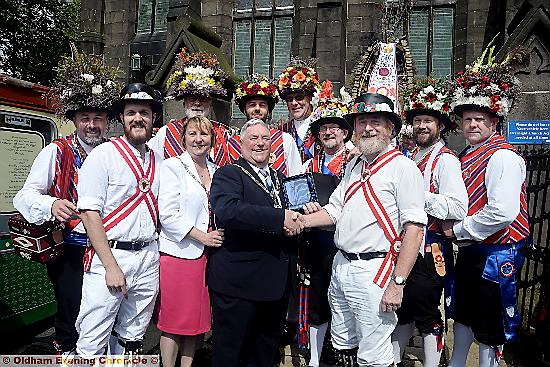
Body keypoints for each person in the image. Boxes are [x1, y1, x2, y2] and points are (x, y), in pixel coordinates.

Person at [300, 92, 427, 367]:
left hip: (376, 272)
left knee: (374, 355)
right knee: (342, 344)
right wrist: (298, 221)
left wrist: (398, 283)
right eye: (362, 122)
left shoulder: (404, 168)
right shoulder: (355, 166)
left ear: (390, 128)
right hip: (342, 265)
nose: (368, 127)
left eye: (376, 121)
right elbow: (334, 210)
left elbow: (414, 229)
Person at [12, 50, 120, 354]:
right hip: (71, 247)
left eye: (98, 118)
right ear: (74, 120)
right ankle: (67, 354)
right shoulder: (56, 151)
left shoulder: (114, 152)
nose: (92, 125)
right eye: (85, 118)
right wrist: (51, 204)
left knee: (103, 312)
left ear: (107, 121)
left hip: (107, 247)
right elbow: (25, 194)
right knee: (72, 311)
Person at [442, 47, 530, 367]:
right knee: (464, 314)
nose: (473, 125)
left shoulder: (502, 156)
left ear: (493, 121)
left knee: (490, 327)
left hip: (498, 252)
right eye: (468, 119)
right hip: (475, 249)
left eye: (480, 119)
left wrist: (459, 229)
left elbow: (503, 212)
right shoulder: (467, 154)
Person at [74, 83, 163, 356]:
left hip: (148, 256)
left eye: (144, 113)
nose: (138, 118)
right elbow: (89, 213)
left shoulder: (159, 160)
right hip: (110, 256)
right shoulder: (103, 155)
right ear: (122, 118)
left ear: (153, 118)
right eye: (131, 113)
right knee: (93, 336)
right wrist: (111, 266)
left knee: (132, 335)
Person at [208, 119, 303, 367]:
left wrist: (304, 213)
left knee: (264, 352)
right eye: (254, 138)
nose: (260, 144)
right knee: (230, 352)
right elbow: (228, 210)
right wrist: (280, 217)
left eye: (265, 139)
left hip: (276, 284)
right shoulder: (229, 174)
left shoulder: (280, 178)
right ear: (241, 143)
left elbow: (293, 214)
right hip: (240, 283)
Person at [391, 79, 468, 367]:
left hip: (430, 248)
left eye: (428, 121)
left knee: (427, 312)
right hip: (406, 245)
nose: (422, 126)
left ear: (440, 126)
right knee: (404, 309)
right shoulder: (411, 155)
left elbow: (458, 207)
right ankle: (395, 361)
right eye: (418, 121)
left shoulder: (446, 161)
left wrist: (416, 196)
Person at [155, 115, 225, 367]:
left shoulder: (217, 170)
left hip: (209, 256)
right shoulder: (173, 167)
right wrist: (203, 237)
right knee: (174, 322)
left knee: (197, 321)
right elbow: (168, 215)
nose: (198, 140)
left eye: (204, 134)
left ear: (212, 140)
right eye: (193, 134)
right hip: (180, 253)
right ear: (183, 138)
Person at [299, 80, 354, 367]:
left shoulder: (358, 161)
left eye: (334, 127)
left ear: (345, 132)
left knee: (346, 303)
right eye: (323, 128)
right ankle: (316, 358)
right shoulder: (308, 165)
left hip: (347, 243)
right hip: (319, 244)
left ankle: (346, 355)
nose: (328, 132)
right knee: (319, 300)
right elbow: (294, 198)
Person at [148, 48, 235, 166]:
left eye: (203, 98)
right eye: (192, 98)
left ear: (210, 103)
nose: (197, 103)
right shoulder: (167, 132)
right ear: (184, 102)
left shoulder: (224, 134)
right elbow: (154, 166)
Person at [229, 73, 302, 176]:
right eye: (252, 105)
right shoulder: (232, 144)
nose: (257, 108)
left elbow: (296, 176)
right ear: (244, 110)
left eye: (262, 105)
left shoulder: (285, 140)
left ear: (268, 111)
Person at [277, 57, 322, 163]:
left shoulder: (325, 125)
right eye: (289, 99)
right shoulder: (282, 131)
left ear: (310, 97)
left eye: (299, 97)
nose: (294, 103)